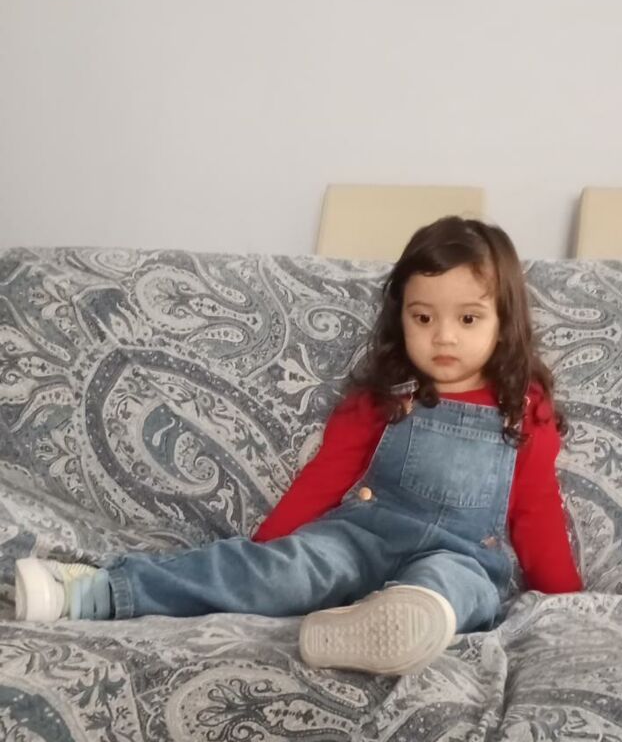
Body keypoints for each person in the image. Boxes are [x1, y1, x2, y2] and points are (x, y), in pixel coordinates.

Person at [14, 217, 582, 676]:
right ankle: (102, 590)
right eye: (423, 317)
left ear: (504, 322)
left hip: (458, 554)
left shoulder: (522, 409)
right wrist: (269, 554)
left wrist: (567, 603)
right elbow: (328, 473)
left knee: (455, 590)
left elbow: (535, 511)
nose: (444, 335)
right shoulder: (388, 394)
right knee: (289, 572)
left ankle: (387, 624)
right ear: (402, 317)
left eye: (468, 318)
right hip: (361, 537)